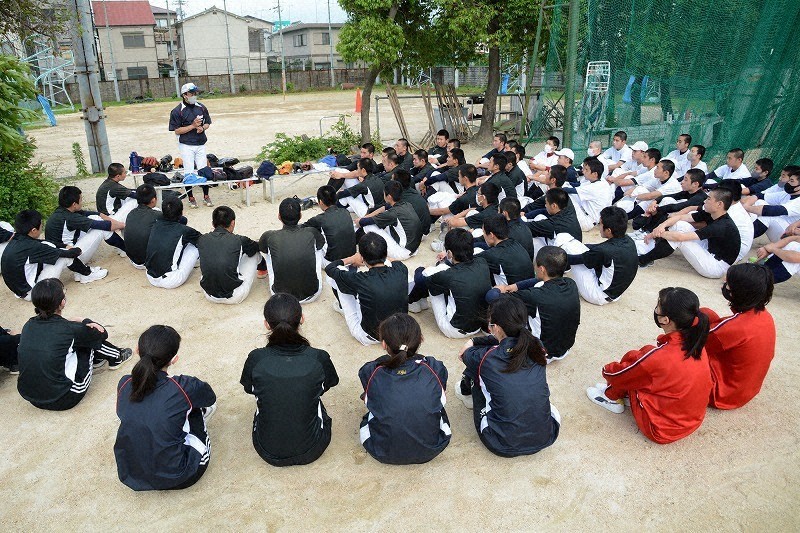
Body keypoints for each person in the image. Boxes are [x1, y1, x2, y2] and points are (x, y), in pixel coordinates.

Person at [586, 287, 712, 445]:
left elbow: (617, 374)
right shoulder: (696, 345)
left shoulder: (658, 357)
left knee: (635, 361)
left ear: (665, 319)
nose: (656, 309)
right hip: (692, 420)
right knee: (644, 357)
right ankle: (619, 394)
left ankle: (610, 396)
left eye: (658, 306)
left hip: (660, 430)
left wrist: (607, 369)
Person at [240, 293, 339, 466]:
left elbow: (249, 388)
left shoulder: (256, 359)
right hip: (312, 448)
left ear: (266, 324)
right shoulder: (319, 358)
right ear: (302, 319)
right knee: (313, 397)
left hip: (267, 450)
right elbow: (329, 384)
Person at [114, 325, 216, 491]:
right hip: (180, 476)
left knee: (148, 417)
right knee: (196, 409)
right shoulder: (183, 386)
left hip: (132, 474)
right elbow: (209, 397)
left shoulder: (124, 383)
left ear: (137, 350)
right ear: (174, 359)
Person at [455, 295, 560, 457]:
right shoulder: (537, 346)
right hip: (546, 436)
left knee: (475, 372)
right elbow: (505, 343)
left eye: (490, 325)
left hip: (501, 443)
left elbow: (465, 355)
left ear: (496, 328)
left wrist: (473, 342)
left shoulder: (486, 357)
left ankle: (465, 391)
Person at [17, 278, 132, 411]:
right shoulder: (69, 329)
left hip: (32, 397)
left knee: (68, 344)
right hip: (65, 397)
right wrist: (84, 320)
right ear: (62, 302)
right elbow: (102, 334)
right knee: (87, 340)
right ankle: (117, 357)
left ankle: (99, 360)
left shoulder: (28, 325)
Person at [358, 313, 451, 464]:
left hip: (382, 452)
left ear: (383, 344)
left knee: (370, 411)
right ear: (420, 339)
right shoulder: (435, 367)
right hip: (432, 448)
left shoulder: (370, 371)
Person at [488, 246, 580, 362]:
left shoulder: (534, 295)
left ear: (542, 269)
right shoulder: (571, 284)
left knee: (506, 311)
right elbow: (540, 281)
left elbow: (492, 298)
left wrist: (498, 289)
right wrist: (515, 286)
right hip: (565, 349)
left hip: (539, 354)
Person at [704, 263, 776, 409]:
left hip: (720, 393)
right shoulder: (765, 316)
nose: (725, 284)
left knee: (695, 322)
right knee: (706, 314)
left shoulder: (734, 326)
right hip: (744, 391)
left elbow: (693, 345)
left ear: (739, 292)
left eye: (729, 284)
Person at [324, 233, 408, 345]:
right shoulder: (402, 270)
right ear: (386, 253)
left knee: (334, 278)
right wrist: (377, 255)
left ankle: (341, 306)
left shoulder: (359, 279)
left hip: (370, 336)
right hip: (399, 332)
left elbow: (330, 268)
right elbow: (393, 262)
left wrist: (352, 258)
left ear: (362, 257)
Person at [637, 188, 740, 278]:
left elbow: (681, 238)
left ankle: (641, 260)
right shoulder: (712, 214)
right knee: (681, 224)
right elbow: (681, 217)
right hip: (708, 250)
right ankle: (649, 248)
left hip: (716, 266)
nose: (704, 201)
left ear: (719, 204)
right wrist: (661, 227)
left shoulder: (722, 225)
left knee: (679, 240)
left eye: (708, 199)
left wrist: (657, 233)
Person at [408, 228, 492, 338]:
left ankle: (412, 301)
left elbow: (421, 279)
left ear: (449, 253)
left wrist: (420, 269)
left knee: (428, 273)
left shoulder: (448, 274)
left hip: (454, 329)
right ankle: (416, 301)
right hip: (478, 325)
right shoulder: (482, 262)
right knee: (447, 279)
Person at [45, 185, 126, 283]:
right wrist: (124, 225)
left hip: (62, 253)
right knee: (101, 229)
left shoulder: (62, 211)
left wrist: (101, 215)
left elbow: (89, 214)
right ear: (74, 204)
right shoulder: (70, 218)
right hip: (71, 257)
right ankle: (127, 249)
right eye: (81, 199)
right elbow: (104, 226)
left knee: (96, 219)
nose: (82, 202)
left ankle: (80, 271)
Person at [1, 210, 84, 299]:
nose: (42, 227)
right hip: (33, 293)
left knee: (50, 247)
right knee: (64, 258)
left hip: (20, 290)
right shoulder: (32, 246)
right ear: (33, 230)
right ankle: (87, 274)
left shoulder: (17, 239)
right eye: (41, 225)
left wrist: (64, 245)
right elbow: (68, 254)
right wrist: (78, 250)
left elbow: (42, 242)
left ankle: (82, 273)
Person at [567, 206, 638, 305]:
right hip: (615, 294)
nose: (599, 226)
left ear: (608, 230)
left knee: (564, 241)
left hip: (598, 295)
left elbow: (572, 259)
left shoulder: (604, 250)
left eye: (600, 224)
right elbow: (599, 248)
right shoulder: (629, 241)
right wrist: (583, 246)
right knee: (578, 247)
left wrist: (553, 255)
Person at [260, 197, 325, 302]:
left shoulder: (269, 235)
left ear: (279, 216)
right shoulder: (311, 232)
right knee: (316, 246)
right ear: (300, 215)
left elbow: (263, 250)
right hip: (313, 294)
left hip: (280, 296)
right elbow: (320, 245)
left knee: (269, 251)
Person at [198, 206, 265, 304]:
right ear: (233, 223)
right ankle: (263, 270)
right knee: (254, 254)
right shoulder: (239, 240)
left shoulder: (202, 239)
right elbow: (256, 248)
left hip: (208, 294)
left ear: (213, 224)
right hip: (234, 296)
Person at [168, 82, 213, 208]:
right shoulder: (177, 111)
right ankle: (191, 197)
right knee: (189, 172)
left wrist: (202, 128)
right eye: (191, 93)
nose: (194, 95)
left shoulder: (201, 107)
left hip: (200, 143)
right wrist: (192, 126)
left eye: (195, 93)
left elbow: (208, 123)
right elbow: (177, 130)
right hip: (186, 145)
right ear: (184, 95)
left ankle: (206, 195)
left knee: (203, 169)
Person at [145, 197, 201, 289]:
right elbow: (202, 240)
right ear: (181, 212)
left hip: (150, 276)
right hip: (170, 280)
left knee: (176, 242)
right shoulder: (184, 230)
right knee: (194, 246)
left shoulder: (155, 223)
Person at [357, 181, 421, 260]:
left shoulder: (393, 213)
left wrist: (359, 221)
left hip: (402, 252)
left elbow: (364, 222)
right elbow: (385, 207)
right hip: (413, 249)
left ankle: (356, 244)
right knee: (384, 219)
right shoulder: (407, 204)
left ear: (389, 197)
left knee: (368, 225)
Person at [630, 168, 707, 233]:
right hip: (681, 219)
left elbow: (678, 207)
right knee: (666, 201)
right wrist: (655, 201)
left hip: (694, 229)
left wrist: (656, 209)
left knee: (668, 205)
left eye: (685, 180)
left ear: (695, 184)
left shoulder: (699, 197)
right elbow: (668, 196)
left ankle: (649, 232)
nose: (682, 182)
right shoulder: (687, 192)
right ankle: (647, 230)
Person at [301, 185, 357, 264]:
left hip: (332, 262)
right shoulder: (345, 212)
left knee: (311, 235)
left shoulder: (320, 219)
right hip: (351, 257)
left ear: (320, 202)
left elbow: (302, 228)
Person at [523, 188, 582, 259]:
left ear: (554, 206)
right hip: (575, 247)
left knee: (532, 239)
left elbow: (524, 227)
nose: (545, 205)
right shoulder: (567, 204)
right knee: (540, 217)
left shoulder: (552, 224)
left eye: (546, 203)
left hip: (561, 260)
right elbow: (543, 211)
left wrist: (521, 216)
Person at [615, 158, 681, 220]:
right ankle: (621, 213)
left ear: (666, 173)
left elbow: (651, 196)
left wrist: (632, 197)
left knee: (649, 200)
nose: (655, 170)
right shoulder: (658, 179)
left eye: (657, 168)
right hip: (659, 205)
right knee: (641, 190)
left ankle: (624, 217)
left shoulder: (672, 184)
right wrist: (630, 194)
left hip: (675, 211)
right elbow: (642, 187)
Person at [564, 157, 613, 231]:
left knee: (565, 195)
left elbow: (569, 190)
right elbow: (577, 185)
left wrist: (556, 184)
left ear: (595, 174)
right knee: (565, 186)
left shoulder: (595, 187)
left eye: (586, 170)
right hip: (586, 214)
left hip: (586, 221)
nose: (583, 172)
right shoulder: (600, 180)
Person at [124, 184, 166, 269]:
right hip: (149, 262)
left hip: (133, 260)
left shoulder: (131, 213)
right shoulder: (156, 214)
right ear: (153, 200)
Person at [393, 169, 431, 237]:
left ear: (397, 184)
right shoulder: (412, 191)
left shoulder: (401, 198)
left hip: (416, 235)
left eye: (392, 180)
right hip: (425, 230)